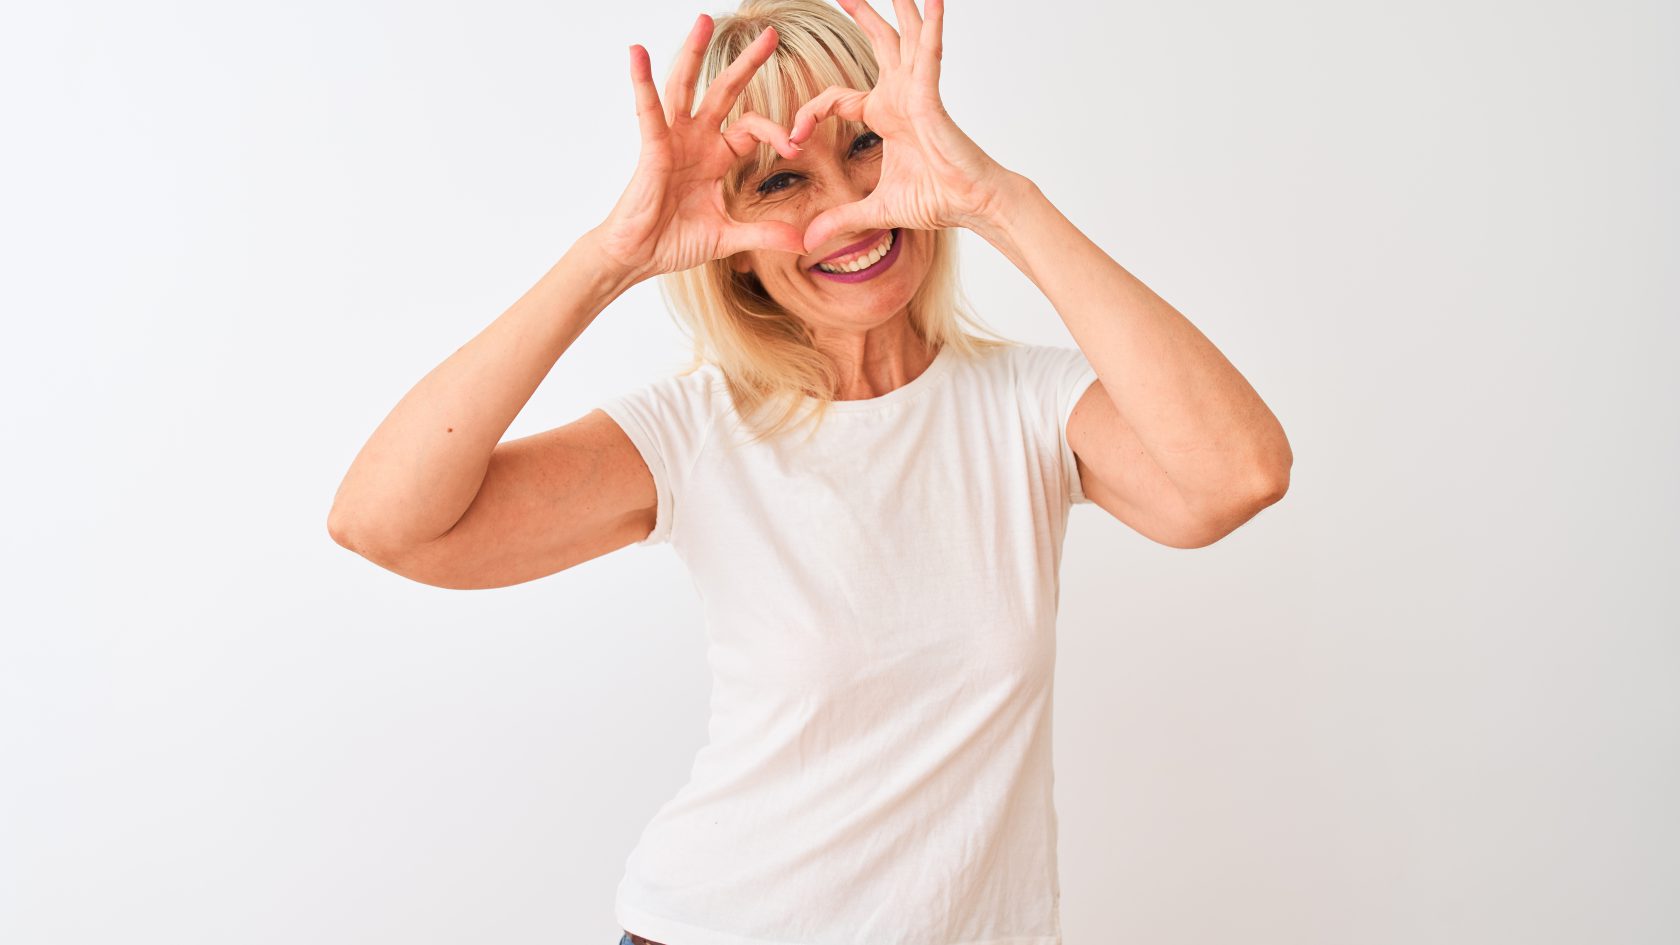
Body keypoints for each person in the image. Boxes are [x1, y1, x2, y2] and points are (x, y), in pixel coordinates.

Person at [327, 0, 1293, 942]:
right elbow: (387, 522)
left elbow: (1236, 475)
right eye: (779, 183)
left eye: (864, 145)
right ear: (737, 252)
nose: (845, 211)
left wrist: (998, 200)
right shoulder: (697, 430)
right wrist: (612, 258)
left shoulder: (1029, 407)